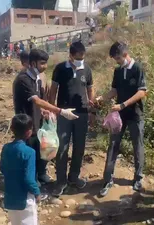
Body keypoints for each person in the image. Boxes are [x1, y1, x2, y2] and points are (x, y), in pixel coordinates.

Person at [13, 49, 79, 190]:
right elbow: (36, 101)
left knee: (41, 149)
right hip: (26, 122)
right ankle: (31, 181)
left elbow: (40, 102)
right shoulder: (23, 79)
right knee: (29, 152)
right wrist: (60, 111)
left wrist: (45, 112)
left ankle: (40, 174)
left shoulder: (37, 78)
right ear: (32, 63)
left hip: (37, 121)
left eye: (46, 63)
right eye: (42, 63)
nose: (45, 66)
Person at [96, 41, 147, 197]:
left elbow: (142, 92)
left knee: (137, 146)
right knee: (113, 145)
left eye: (118, 58)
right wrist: (103, 98)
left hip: (135, 114)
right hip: (119, 116)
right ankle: (108, 179)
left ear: (125, 54)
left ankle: (138, 178)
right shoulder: (118, 71)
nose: (117, 62)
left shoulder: (138, 68)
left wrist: (123, 104)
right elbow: (114, 90)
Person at [49, 41, 94, 197]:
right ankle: (60, 181)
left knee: (80, 147)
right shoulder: (60, 69)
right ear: (71, 55)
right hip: (64, 112)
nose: (80, 60)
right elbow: (53, 90)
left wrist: (91, 109)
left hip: (82, 113)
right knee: (62, 147)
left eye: (83, 57)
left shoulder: (86, 69)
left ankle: (74, 177)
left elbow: (90, 90)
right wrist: (52, 110)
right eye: (78, 57)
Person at [0, 114, 41, 225]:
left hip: (10, 195)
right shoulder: (29, 152)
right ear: (29, 132)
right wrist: (37, 193)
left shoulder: (6, 148)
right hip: (25, 198)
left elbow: (2, 169)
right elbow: (28, 178)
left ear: (12, 129)